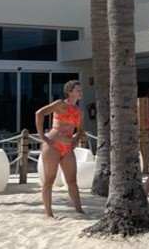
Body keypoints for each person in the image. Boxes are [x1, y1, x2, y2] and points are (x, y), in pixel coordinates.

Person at [35, 80, 84, 218]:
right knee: (49, 180)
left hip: (67, 147)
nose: (81, 92)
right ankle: (49, 213)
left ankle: (79, 210)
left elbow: (80, 130)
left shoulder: (79, 111)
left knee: (72, 181)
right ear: (70, 91)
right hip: (52, 145)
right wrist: (42, 136)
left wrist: (75, 141)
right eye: (78, 90)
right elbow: (39, 113)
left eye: (81, 90)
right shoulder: (60, 104)